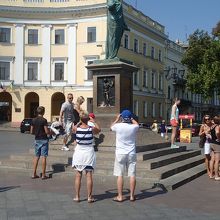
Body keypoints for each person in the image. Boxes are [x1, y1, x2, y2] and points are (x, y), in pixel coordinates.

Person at [72, 111, 101, 203]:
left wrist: (79, 122)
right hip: (88, 152)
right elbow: (99, 129)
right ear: (88, 119)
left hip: (79, 152)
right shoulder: (91, 129)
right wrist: (93, 121)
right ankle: (89, 197)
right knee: (89, 175)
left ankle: (77, 196)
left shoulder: (77, 128)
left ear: (80, 119)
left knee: (78, 175)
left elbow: (74, 128)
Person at [110, 110, 139, 202]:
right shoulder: (133, 127)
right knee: (132, 175)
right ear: (130, 118)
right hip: (131, 153)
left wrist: (117, 119)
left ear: (122, 117)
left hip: (120, 153)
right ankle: (131, 196)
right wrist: (132, 119)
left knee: (120, 175)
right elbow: (137, 124)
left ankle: (120, 196)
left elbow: (111, 127)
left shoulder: (117, 126)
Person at [30, 106, 50, 180]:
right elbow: (47, 131)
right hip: (44, 139)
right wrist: (51, 132)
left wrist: (37, 132)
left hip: (37, 140)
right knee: (44, 156)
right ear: (43, 112)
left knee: (36, 156)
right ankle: (43, 175)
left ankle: (34, 173)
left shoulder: (33, 120)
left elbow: (31, 132)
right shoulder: (44, 120)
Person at [209, 116, 220, 180]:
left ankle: (211, 174)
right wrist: (219, 139)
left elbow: (207, 132)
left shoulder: (212, 126)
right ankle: (216, 175)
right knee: (217, 160)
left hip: (212, 143)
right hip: (216, 144)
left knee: (212, 160)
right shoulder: (217, 126)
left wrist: (210, 136)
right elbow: (217, 132)